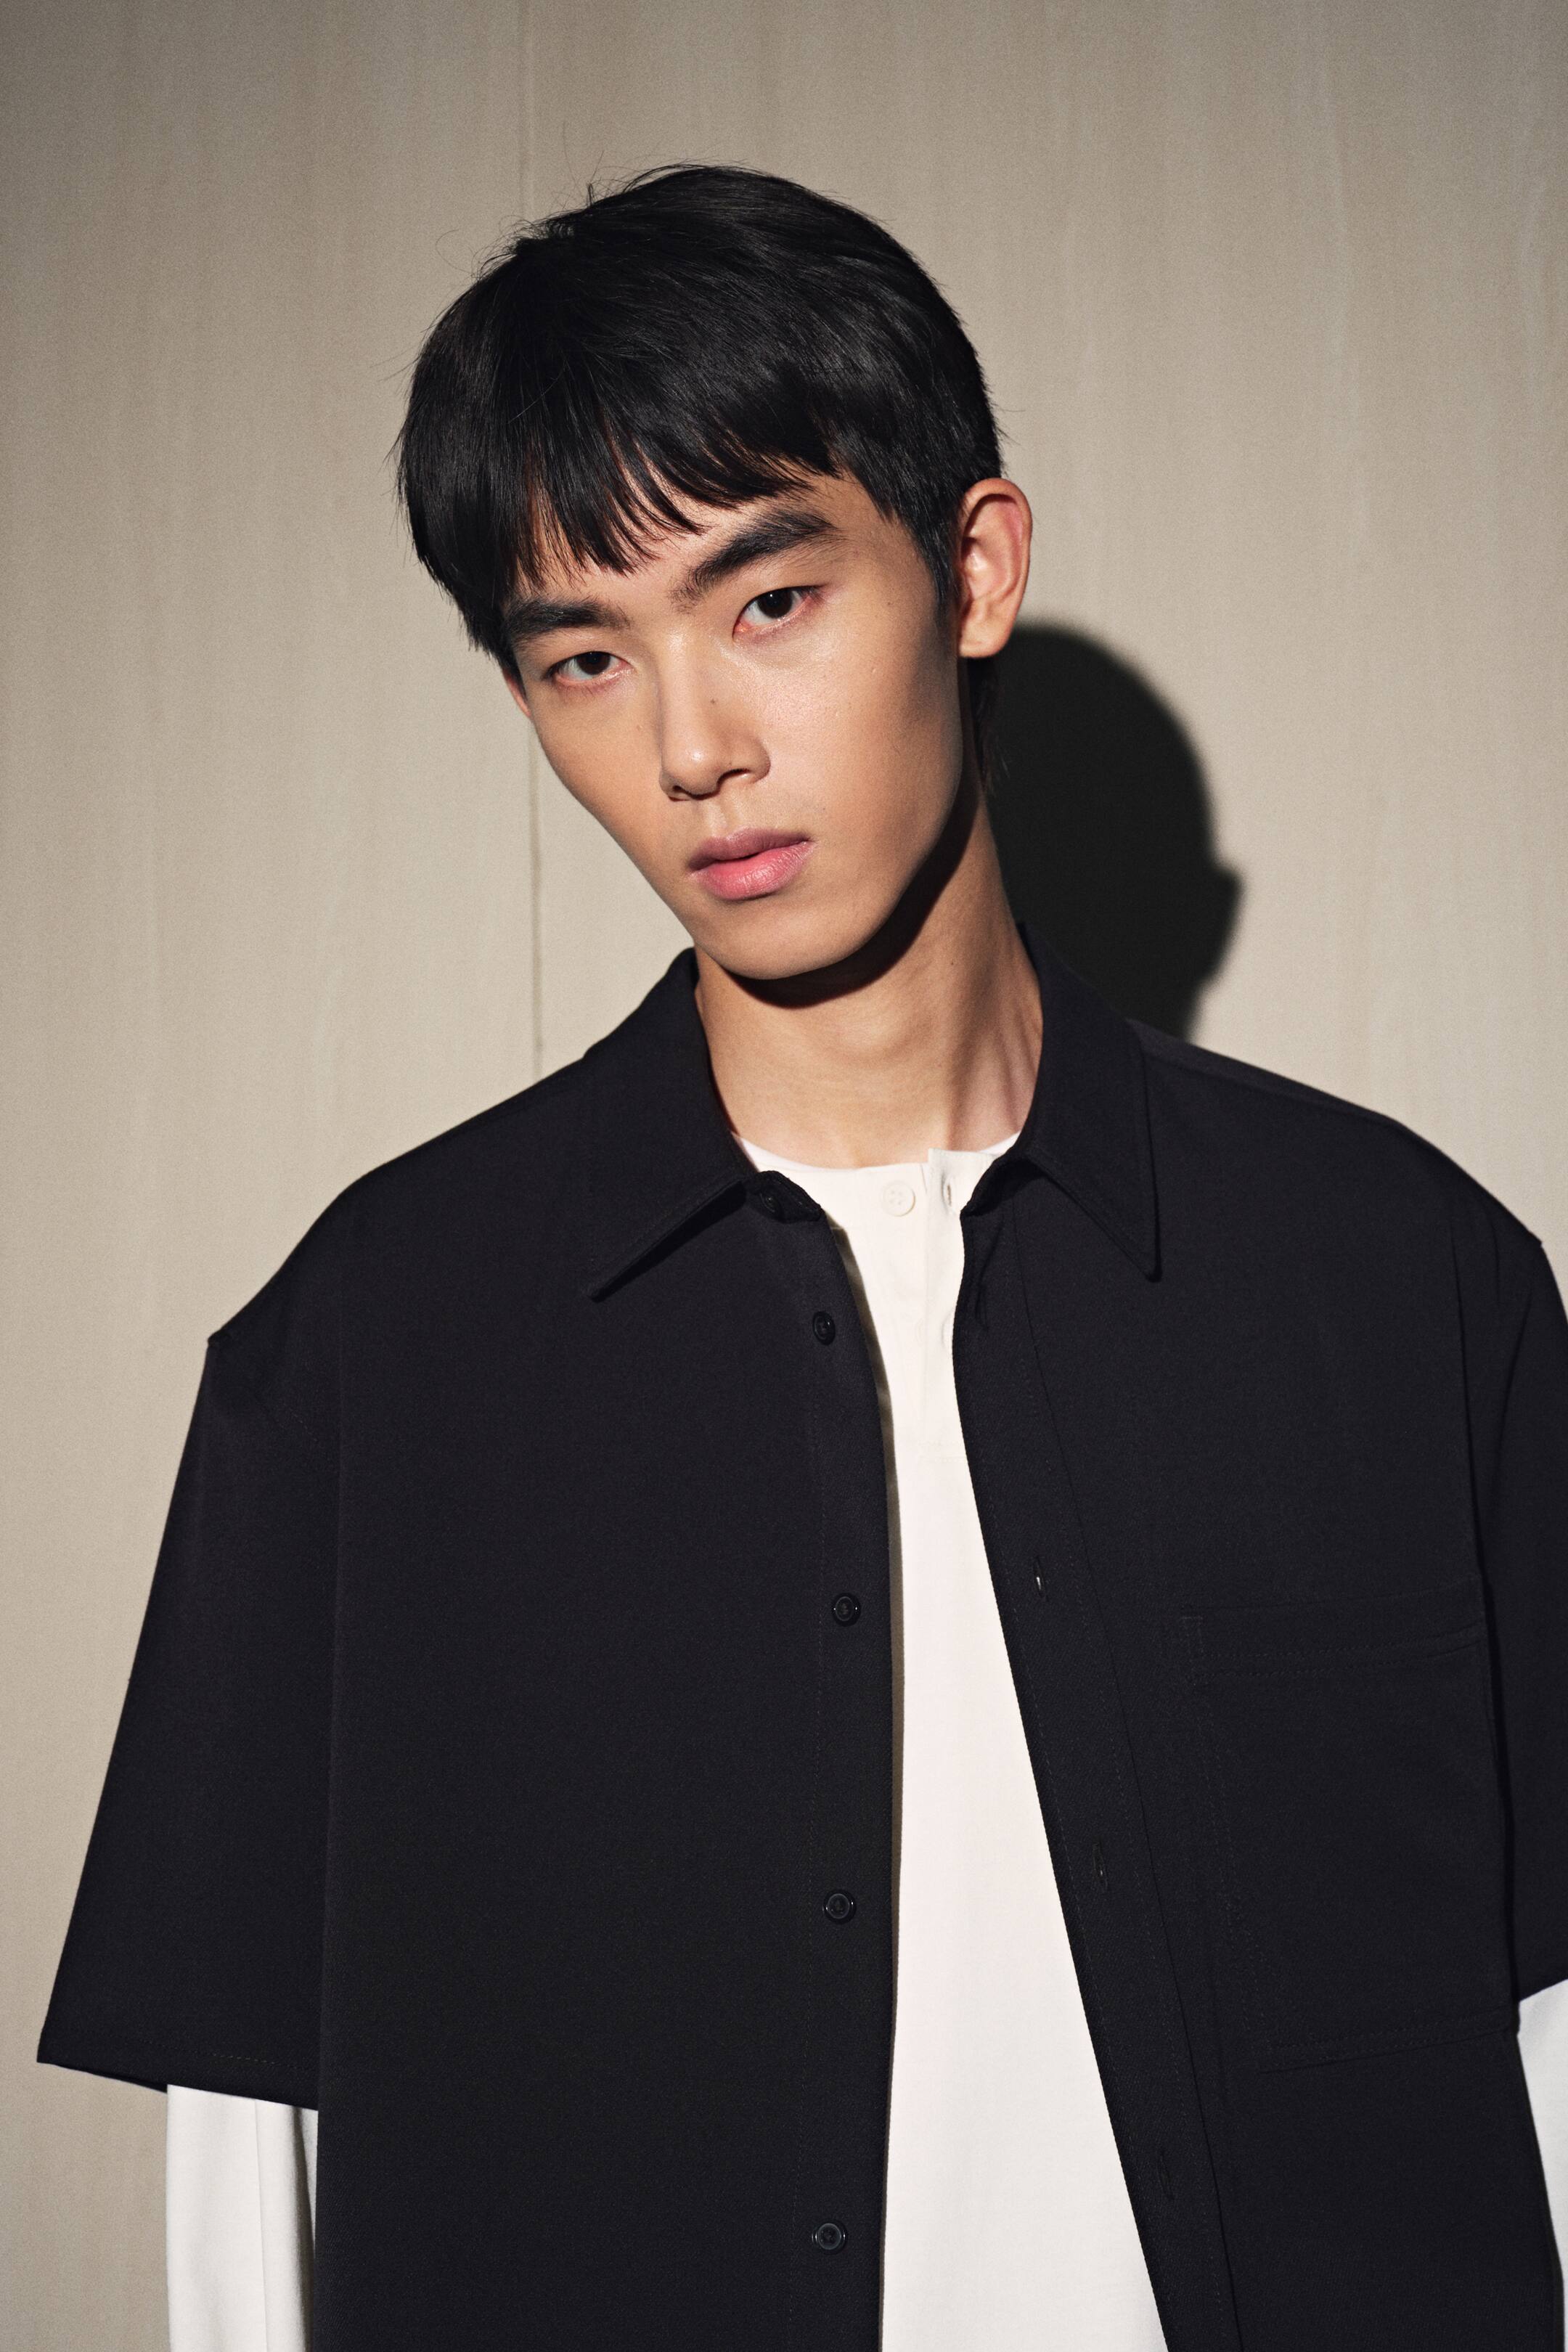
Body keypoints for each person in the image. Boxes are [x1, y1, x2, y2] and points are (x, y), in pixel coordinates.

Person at [38, 165, 1568, 2352]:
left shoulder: (1402, 1284)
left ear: (974, 567)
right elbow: (243, 2166)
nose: (693, 752)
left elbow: (1543, 2033)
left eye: (766, 601)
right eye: (586, 657)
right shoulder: (370, 1348)